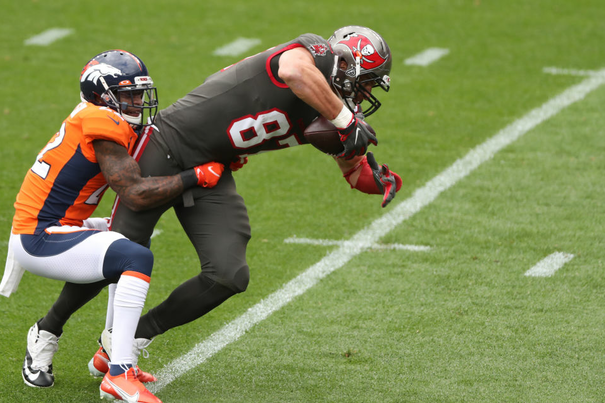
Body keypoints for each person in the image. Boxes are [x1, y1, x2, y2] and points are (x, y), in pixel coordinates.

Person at [35, 26, 402, 382]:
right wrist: (344, 119)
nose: (367, 92)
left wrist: (380, 179)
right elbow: (294, 72)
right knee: (118, 254)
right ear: (348, 65)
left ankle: (128, 339)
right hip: (167, 145)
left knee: (229, 273)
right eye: (368, 81)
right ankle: (47, 331)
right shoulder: (313, 56)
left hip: (211, 168)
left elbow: (354, 170)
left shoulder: (334, 109)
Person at [0, 49, 226, 403]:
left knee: (128, 241)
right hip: (38, 235)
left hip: (61, 224)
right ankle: (120, 369)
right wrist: (194, 176)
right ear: (102, 96)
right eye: (128, 95)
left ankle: (71, 337)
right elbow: (134, 192)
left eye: (139, 93)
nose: (137, 102)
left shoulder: (102, 118)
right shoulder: (101, 122)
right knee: (133, 256)